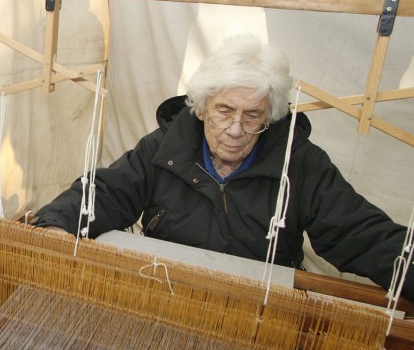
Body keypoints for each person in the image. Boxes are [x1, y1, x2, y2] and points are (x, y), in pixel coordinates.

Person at [33, 34, 413, 304]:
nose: (235, 129)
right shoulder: (165, 149)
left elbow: (360, 233)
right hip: (165, 300)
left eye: (253, 116)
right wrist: (57, 225)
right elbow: (107, 193)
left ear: (271, 117)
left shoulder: (298, 164)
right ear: (201, 108)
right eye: (224, 111)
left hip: (259, 315)